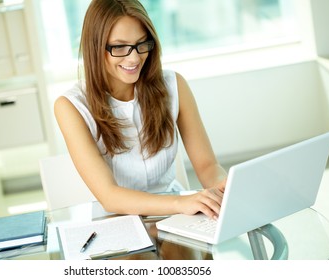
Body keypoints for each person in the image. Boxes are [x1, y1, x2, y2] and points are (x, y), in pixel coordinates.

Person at [54, 0, 227, 219]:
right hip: (117, 223)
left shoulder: (174, 85)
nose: (134, 58)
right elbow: (110, 196)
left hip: (177, 216)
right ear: (95, 47)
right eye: (119, 47)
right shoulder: (70, 107)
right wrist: (181, 202)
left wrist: (223, 186)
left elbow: (207, 166)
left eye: (141, 44)